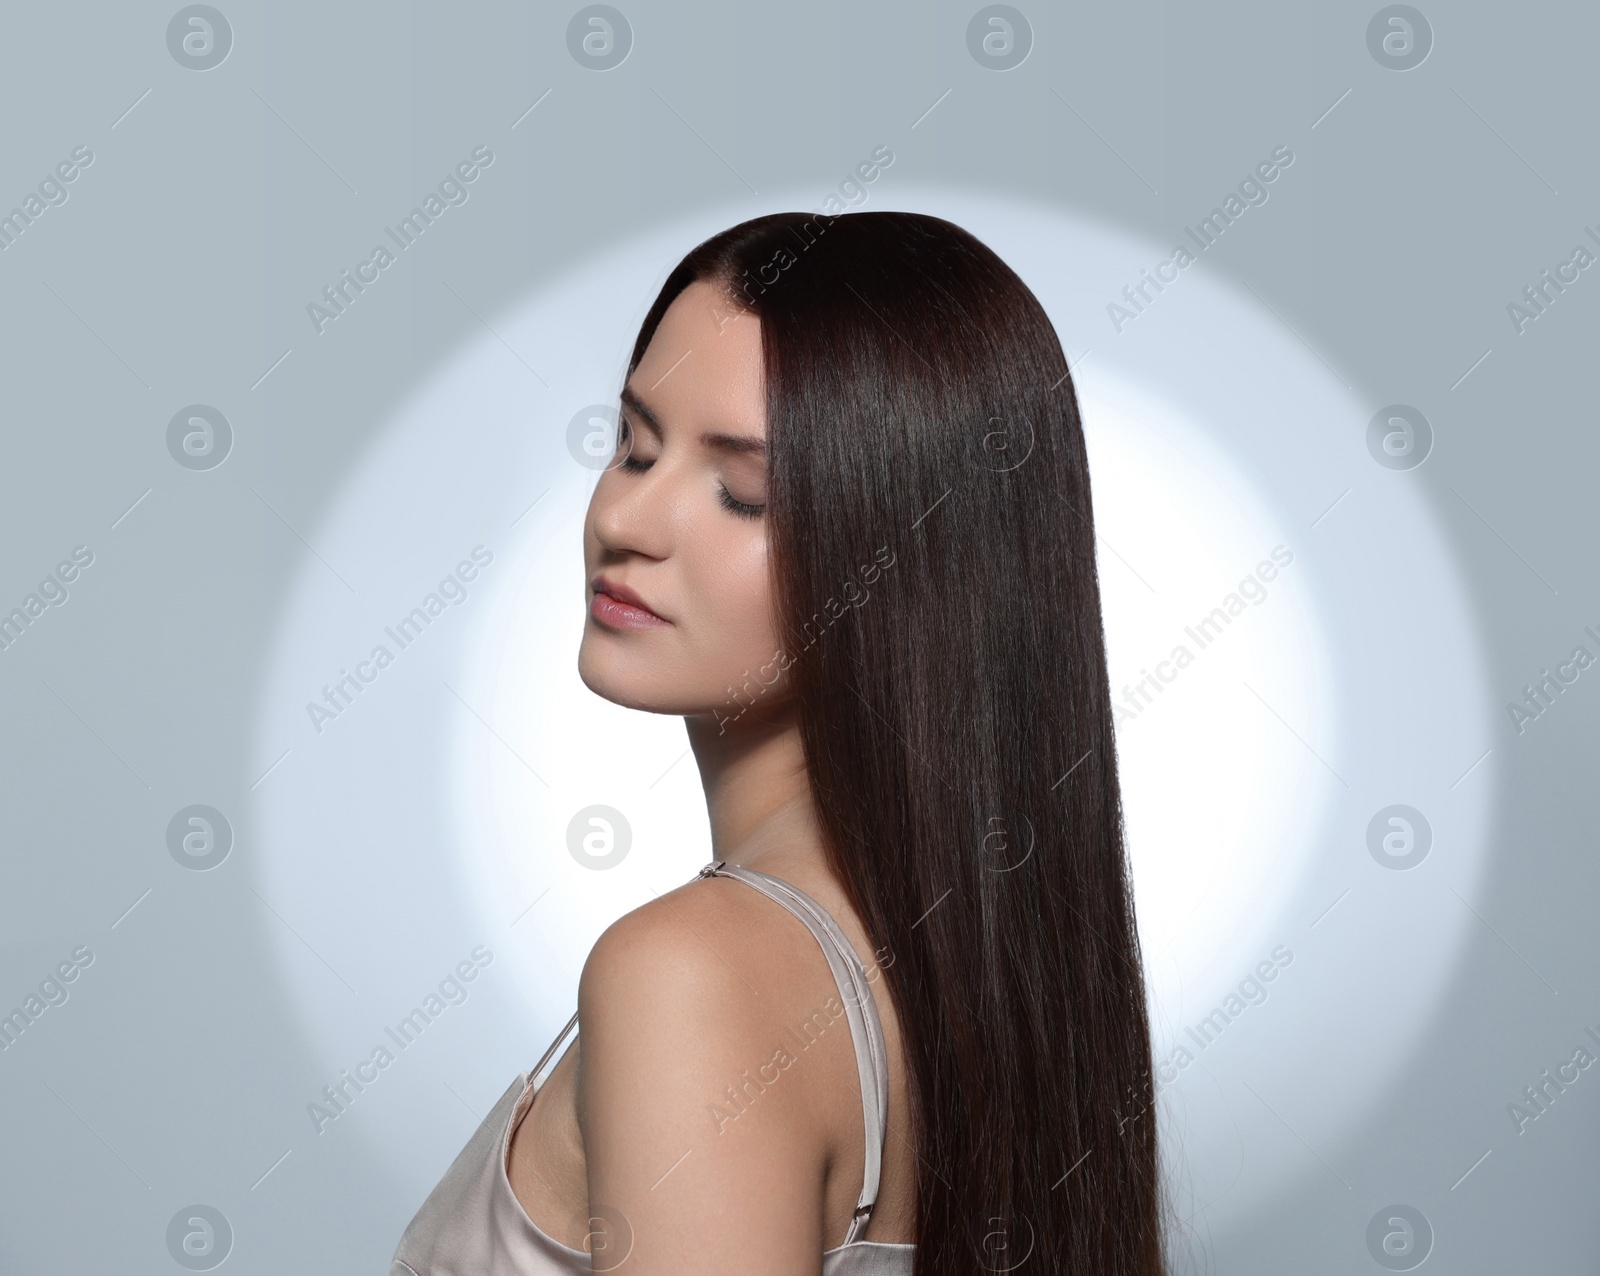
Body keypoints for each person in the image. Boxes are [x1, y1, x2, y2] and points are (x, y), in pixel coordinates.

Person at [392, 210, 1168, 1275]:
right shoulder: (978, 983)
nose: (629, 519)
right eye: (633, 446)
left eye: (739, 493)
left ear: (907, 556)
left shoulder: (691, 974)